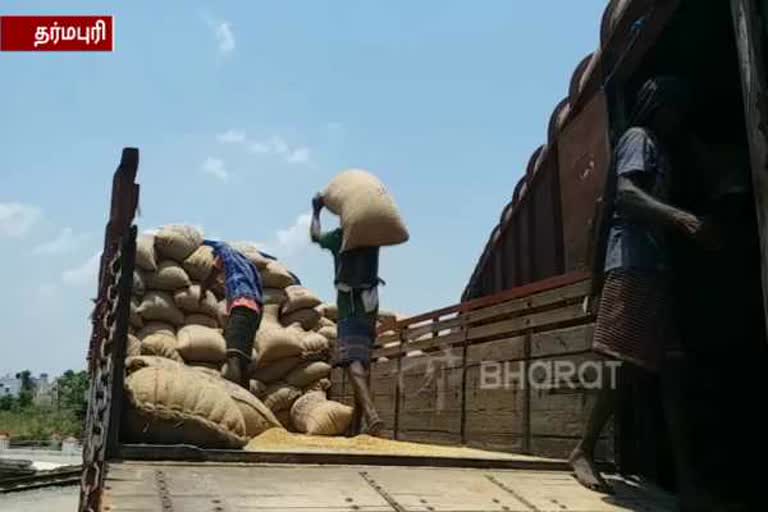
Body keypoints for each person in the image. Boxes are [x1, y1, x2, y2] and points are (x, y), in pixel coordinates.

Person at [569, 76, 716, 494]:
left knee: (671, 368)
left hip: (655, 266)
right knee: (619, 362)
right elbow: (627, 195)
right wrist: (682, 219)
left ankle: (686, 481)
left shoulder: (664, 148)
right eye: (673, 108)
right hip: (631, 261)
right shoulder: (639, 137)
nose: (678, 118)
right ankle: (582, 449)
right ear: (656, 105)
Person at [310, 193, 385, 436]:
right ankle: (355, 427)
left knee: (352, 361)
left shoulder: (339, 237)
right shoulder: (372, 239)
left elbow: (314, 235)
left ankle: (372, 416)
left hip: (350, 307)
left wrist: (316, 211)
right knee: (362, 364)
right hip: (370, 308)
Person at [200, 240, 264, 388]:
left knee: (233, 357)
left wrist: (202, 290)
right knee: (244, 363)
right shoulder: (248, 266)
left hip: (240, 307)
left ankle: (233, 396)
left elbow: (211, 274)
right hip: (255, 312)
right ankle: (246, 397)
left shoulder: (225, 254)